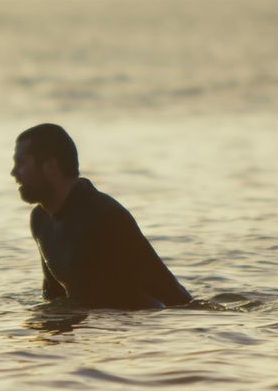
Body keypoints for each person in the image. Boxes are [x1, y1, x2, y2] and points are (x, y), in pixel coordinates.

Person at [11, 123, 193, 309]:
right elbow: (54, 295)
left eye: (21, 163)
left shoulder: (104, 217)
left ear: (51, 166)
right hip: (92, 329)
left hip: (130, 328)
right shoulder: (41, 219)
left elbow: (169, 292)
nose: (14, 173)